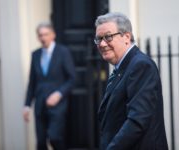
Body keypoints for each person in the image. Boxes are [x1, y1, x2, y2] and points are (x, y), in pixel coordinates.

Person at [94, 12, 168, 150]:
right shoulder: (122, 67)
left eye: (108, 37)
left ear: (127, 37)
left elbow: (137, 121)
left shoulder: (140, 65)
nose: (102, 44)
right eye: (99, 38)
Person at [23, 22, 76, 150]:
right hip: (40, 104)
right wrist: (27, 105)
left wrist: (58, 94)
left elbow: (72, 78)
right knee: (41, 143)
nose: (43, 38)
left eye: (46, 34)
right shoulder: (35, 54)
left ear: (53, 35)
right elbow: (32, 82)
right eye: (40, 35)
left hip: (58, 105)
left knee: (55, 138)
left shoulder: (63, 52)